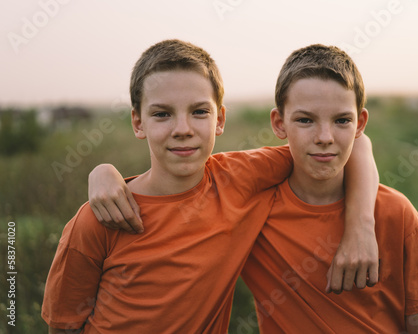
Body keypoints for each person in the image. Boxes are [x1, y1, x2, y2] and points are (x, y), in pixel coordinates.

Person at [42, 39, 379, 333]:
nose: (183, 129)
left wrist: (361, 227)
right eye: (162, 114)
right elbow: (64, 325)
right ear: (137, 121)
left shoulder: (242, 178)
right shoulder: (100, 218)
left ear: (219, 119)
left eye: (199, 112)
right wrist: (101, 171)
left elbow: (353, 144)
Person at [238, 44, 418, 333]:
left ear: (360, 123)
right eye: (305, 120)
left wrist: (363, 223)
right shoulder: (253, 212)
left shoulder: (394, 212)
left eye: (342, 120)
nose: (325, 137)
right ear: (279, 123)